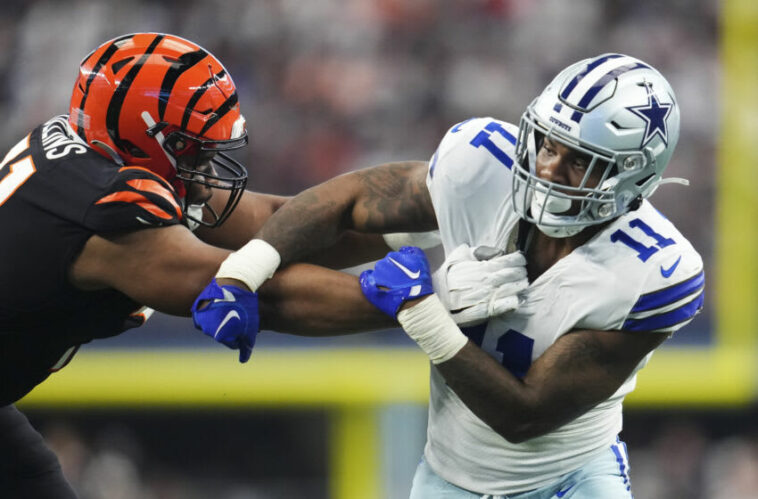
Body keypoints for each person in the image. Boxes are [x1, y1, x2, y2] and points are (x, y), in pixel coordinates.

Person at [201, 53, 704, 497]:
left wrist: (424, 311)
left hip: (570, 481)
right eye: (548, 146)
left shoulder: (651, 272)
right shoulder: (482, 164)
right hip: (449, 478)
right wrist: (244, 272)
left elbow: (523, 415)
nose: (548, 170)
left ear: (633, 177)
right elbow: (347, 200)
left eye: (580, 163)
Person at [0, 32, 437, 497]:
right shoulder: (103, 215)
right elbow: (259, 293)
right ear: (138, 134)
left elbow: (279, 225)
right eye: (194, 151)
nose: (207, 176)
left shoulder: (89, 160)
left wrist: (441, 205)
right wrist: (438, 302)